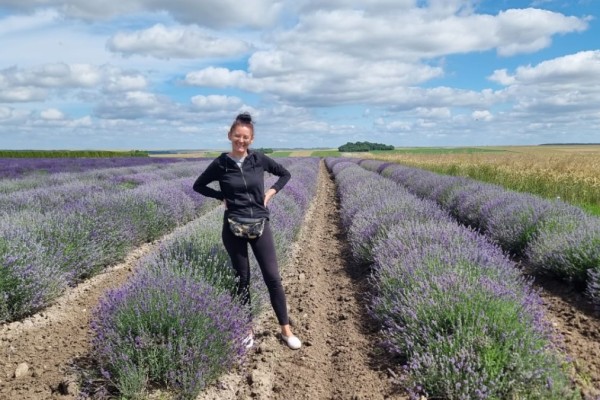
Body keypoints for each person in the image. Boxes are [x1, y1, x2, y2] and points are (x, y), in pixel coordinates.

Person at [192, 112, 301, 350]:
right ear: (230, 136)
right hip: (233, 227)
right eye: (237, 136)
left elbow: (285, 174)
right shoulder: (221, 163)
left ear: (251, 139)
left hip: (260, 224)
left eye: (246, 137)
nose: (241, 141)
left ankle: (286, 330)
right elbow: (198, 185)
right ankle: (246, 330)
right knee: (242, 280)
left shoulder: (259, 160)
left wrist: (270, 193)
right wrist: (221, 196)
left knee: (273, 278)